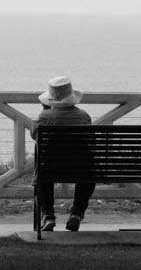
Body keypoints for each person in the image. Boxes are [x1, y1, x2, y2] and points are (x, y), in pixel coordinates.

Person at [30, 75, 95, 232]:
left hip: (50, 169)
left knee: (41, 175)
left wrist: (45, 111)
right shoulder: (84, 116)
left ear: (50, 99)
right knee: (88, 176)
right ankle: (76, 214)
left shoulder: (45, 117)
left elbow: (34, 135)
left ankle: (48, 216)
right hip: (80, 169)